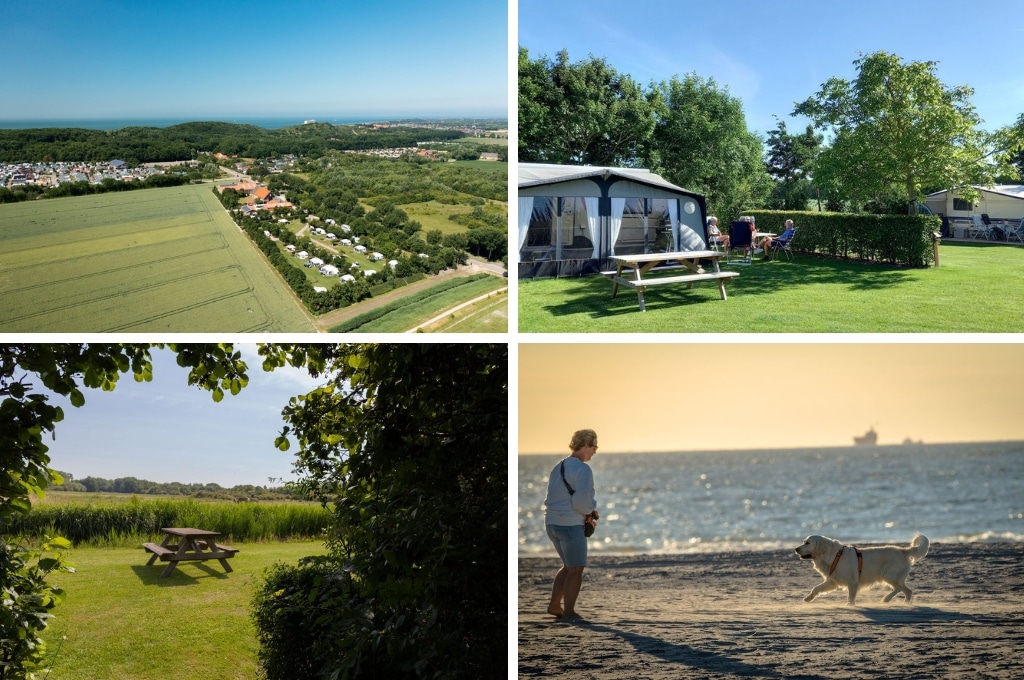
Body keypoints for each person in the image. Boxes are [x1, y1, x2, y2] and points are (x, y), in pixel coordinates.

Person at [544, 428, 599, 620]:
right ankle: (569, 612)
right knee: (576, 569)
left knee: (568, 566)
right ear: (585, 445)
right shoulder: (583, 469)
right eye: (594, 446)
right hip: (569, 525)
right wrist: (590, 512)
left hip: (551, 523)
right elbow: (581, 502)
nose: (595, 451)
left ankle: (554, 606)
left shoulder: (558, 466)